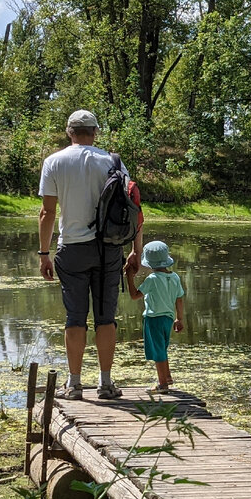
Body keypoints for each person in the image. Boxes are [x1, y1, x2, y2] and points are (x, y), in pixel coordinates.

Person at [38, 109, 142, 400]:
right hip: (109, 248)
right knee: (106, 317)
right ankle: (106, 383)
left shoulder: (54, 162)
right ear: (96, 132)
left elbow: (47, 212)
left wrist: (44, 253)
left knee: (75, 317)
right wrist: (135, 249)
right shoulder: (113, 163)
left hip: (72, 249)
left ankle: (73, 384)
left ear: (69, 131)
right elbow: (131, 208)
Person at [125, 240, 185, 392]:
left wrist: (129, 277)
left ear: (149, 263)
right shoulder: (175, 277)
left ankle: (162, 384)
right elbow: (179, 298)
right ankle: (168, 377)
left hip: (154, 319)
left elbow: (134, 296)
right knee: (162, 348)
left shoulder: (152, 279)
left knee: (158, 351)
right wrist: (179, 319)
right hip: (168, 319)